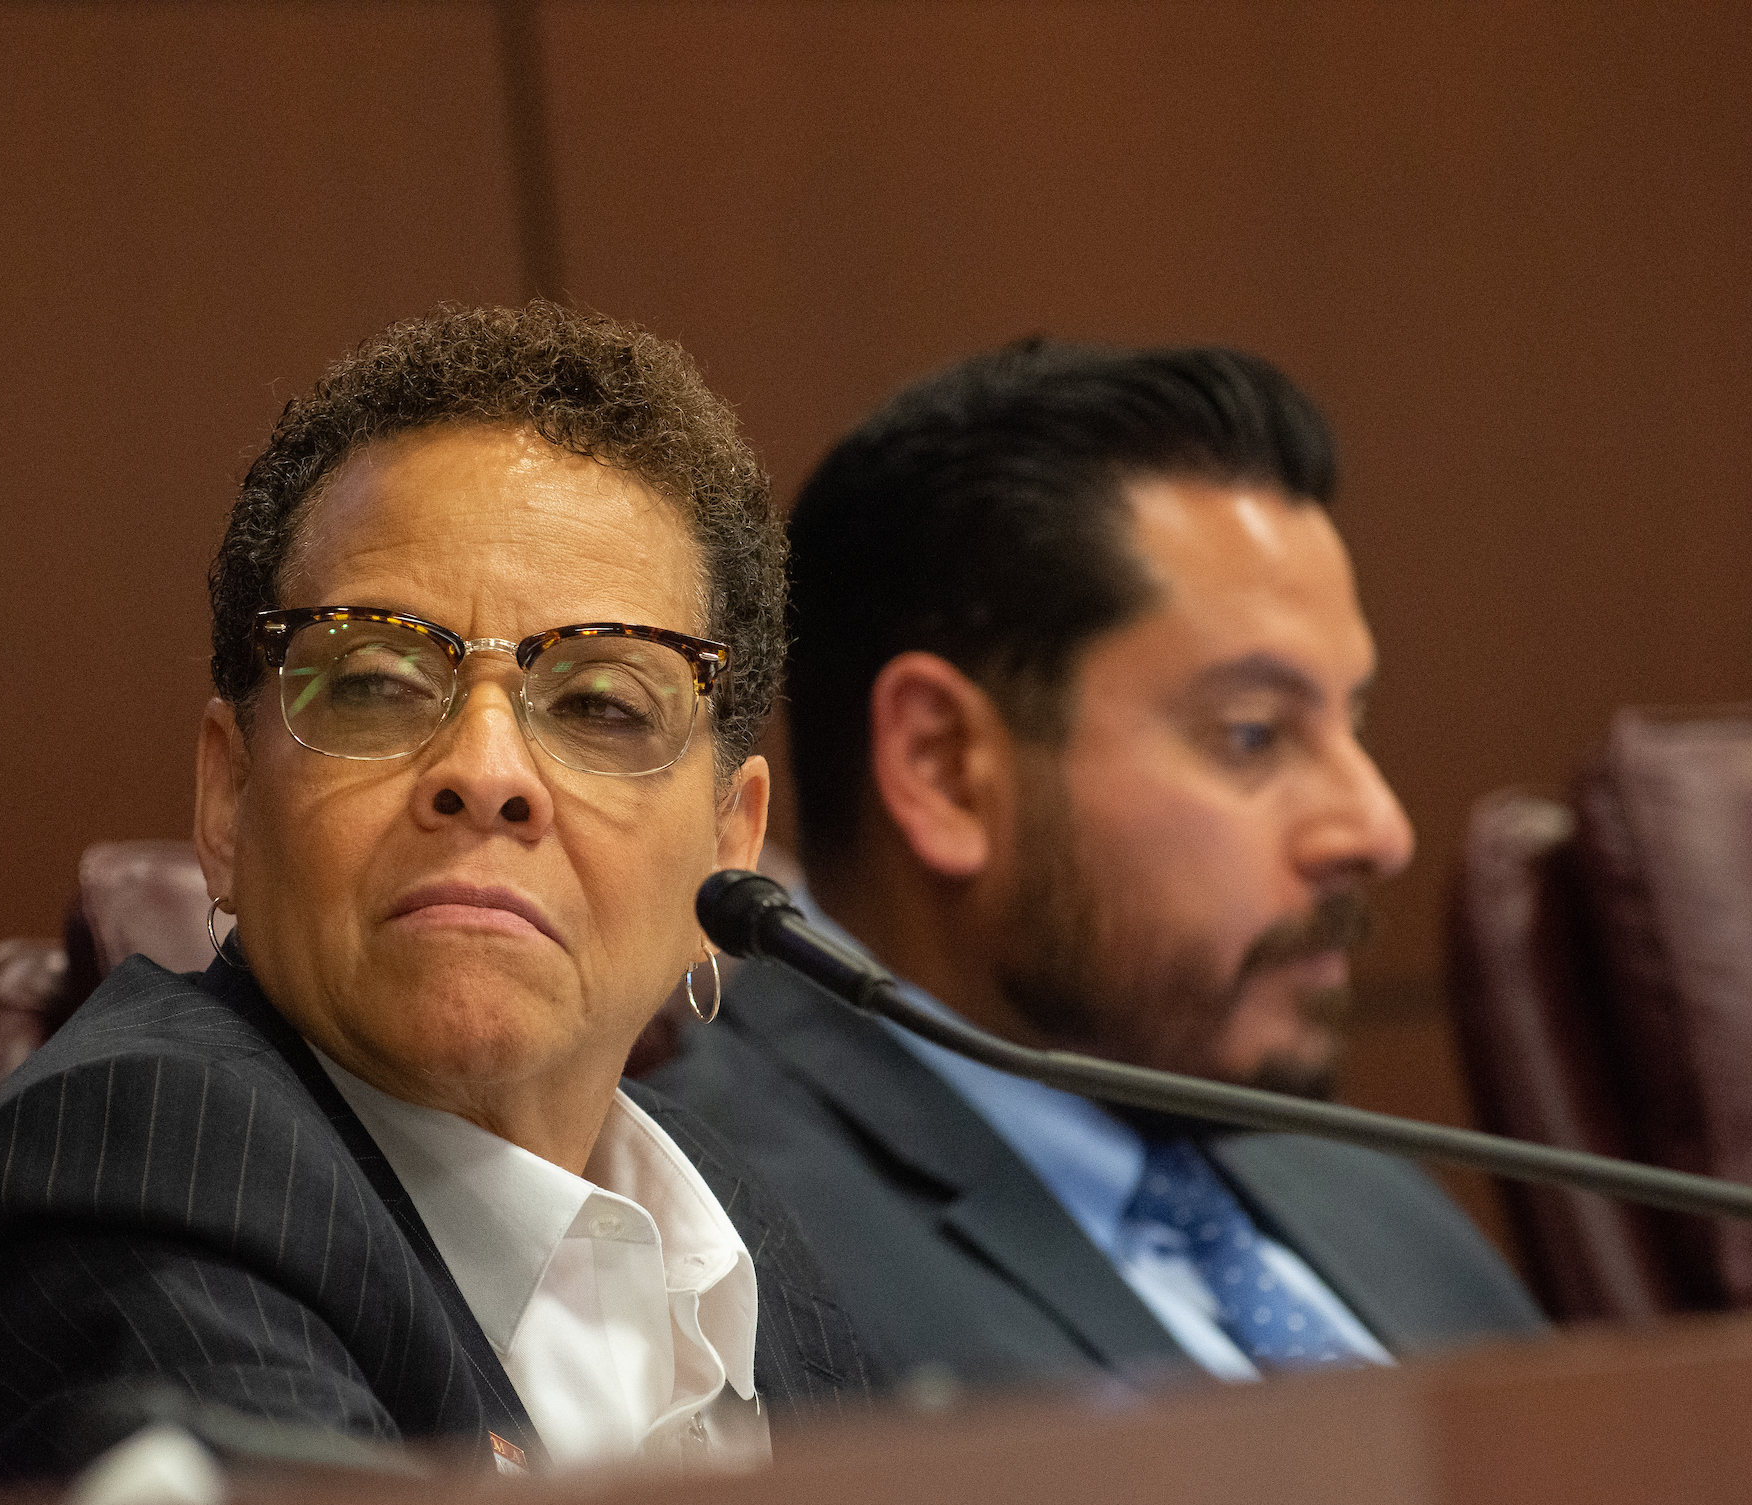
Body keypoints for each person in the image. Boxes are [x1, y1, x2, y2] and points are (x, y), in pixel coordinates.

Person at [0, 304, 868, 1491]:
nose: (485, 773)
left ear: (726, 857)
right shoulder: (137, 1170)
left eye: (600, 706)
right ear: (227, 801)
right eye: (377, 681)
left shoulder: (740, 1250)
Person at [652, 339, 1545, 1394]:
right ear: (946, 769)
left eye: (1352, 723)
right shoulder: (717, 1247)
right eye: (1254, 734)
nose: (1378, 827)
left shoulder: (1329, 1162)